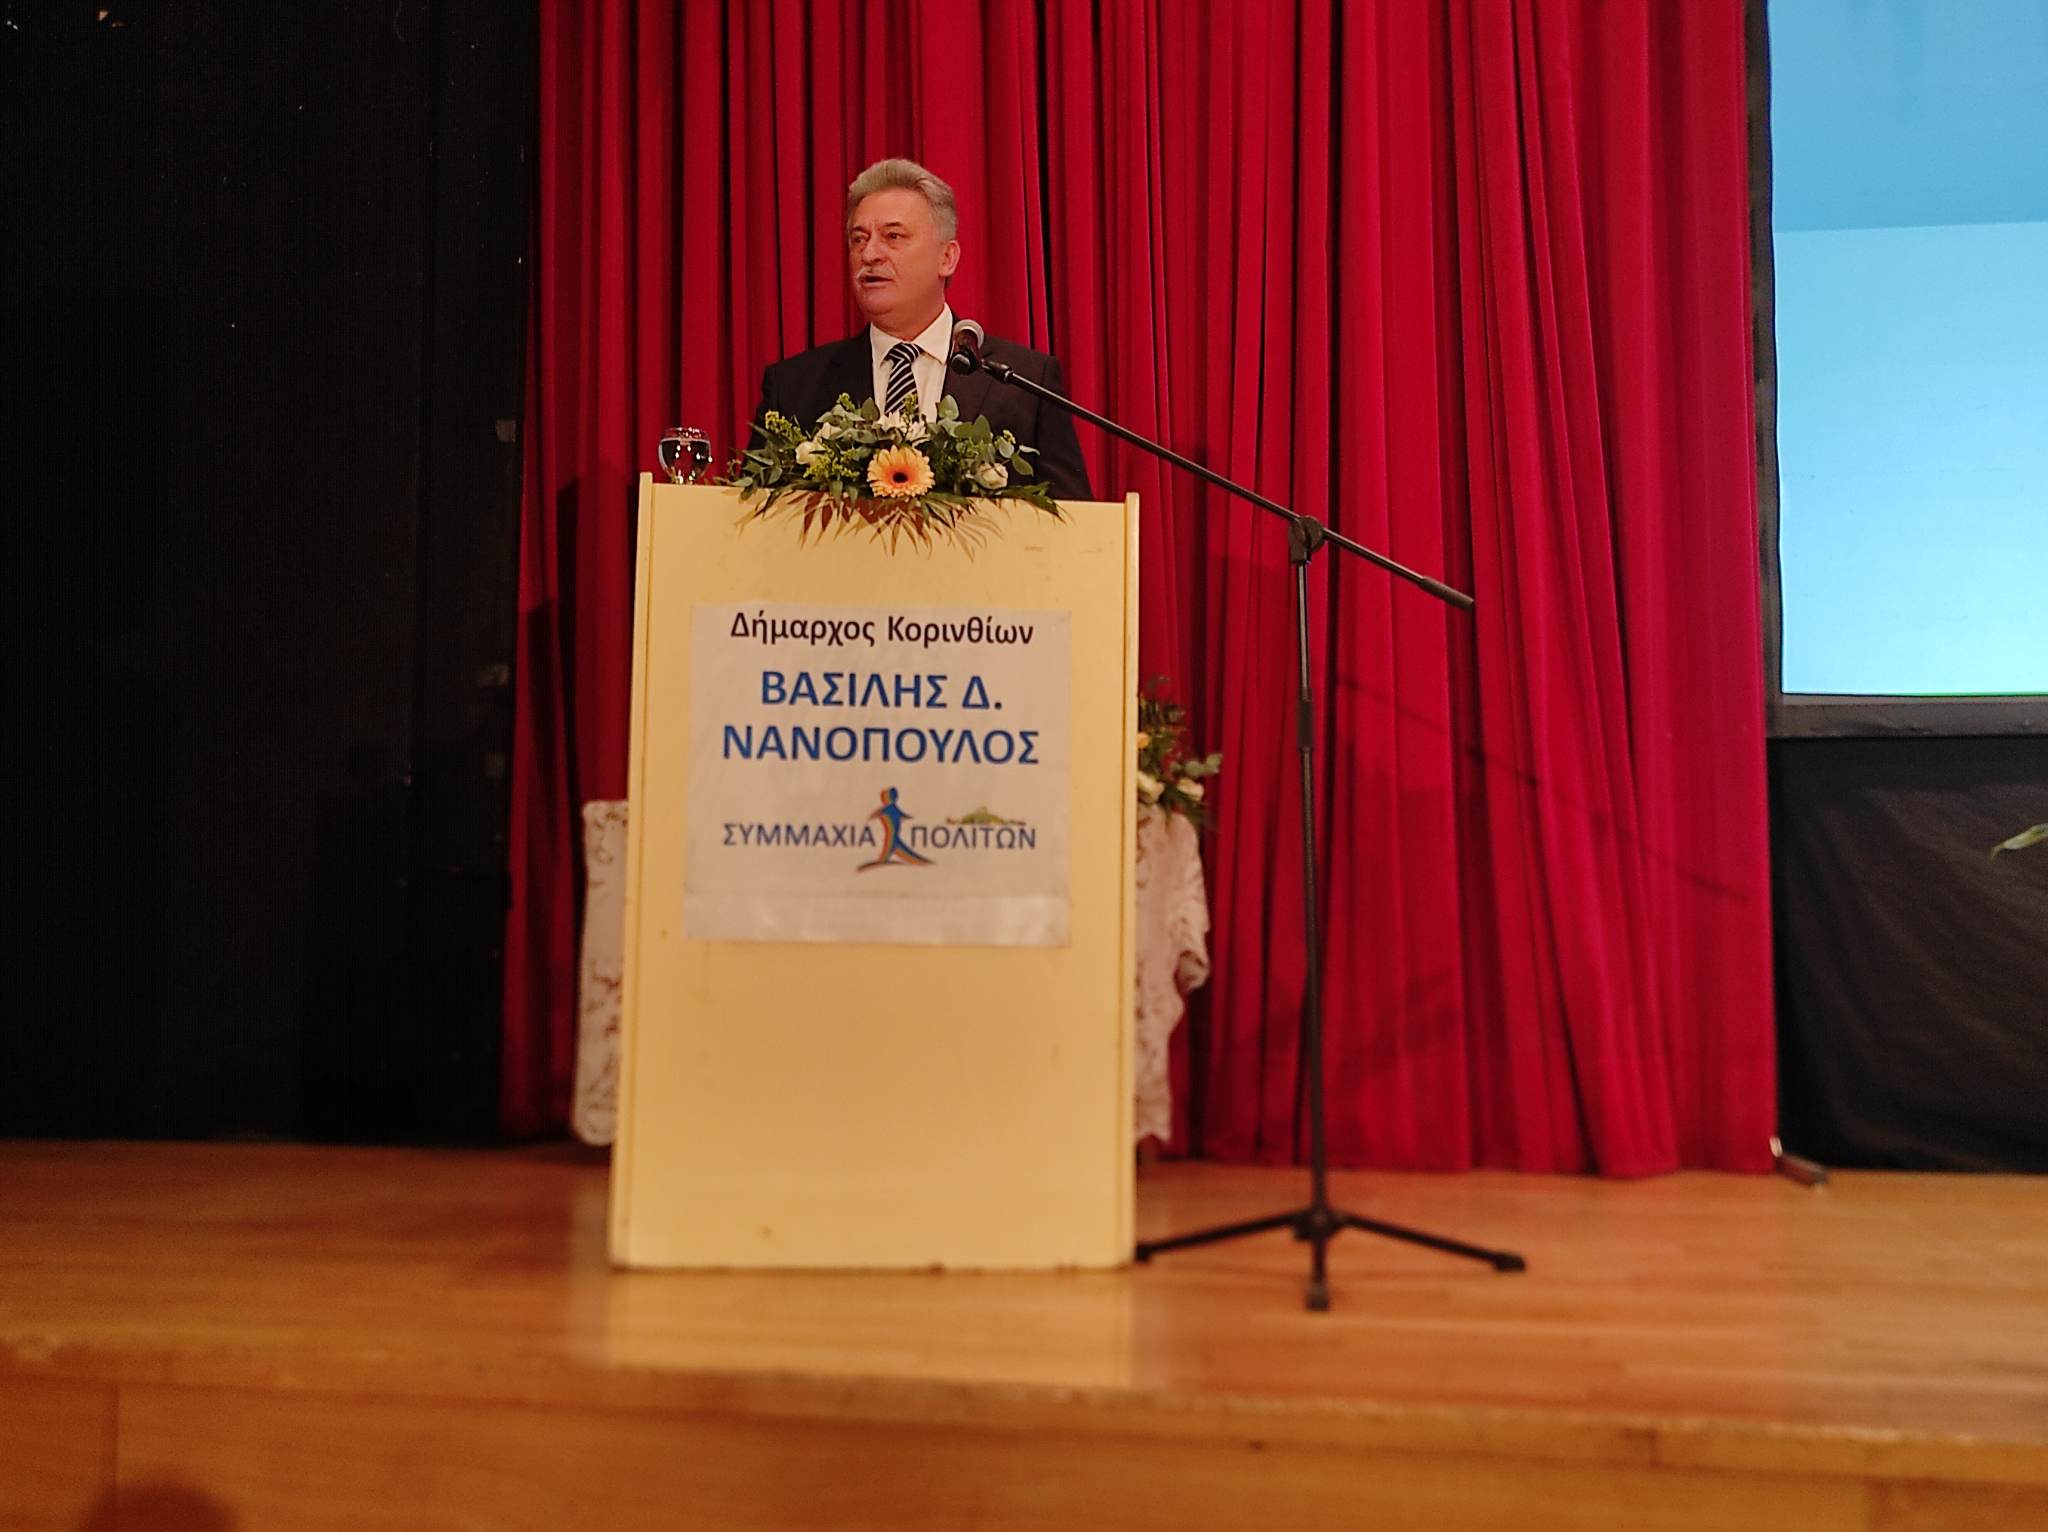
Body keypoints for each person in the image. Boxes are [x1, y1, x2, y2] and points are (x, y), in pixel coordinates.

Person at [750, 158, 1093, 501]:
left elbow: (1073, 518)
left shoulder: (1025, 383)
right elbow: (750, 521)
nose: (869, 254)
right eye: (858, 239)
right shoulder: (794, 388)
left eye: (893, 236)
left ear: (947, 258)